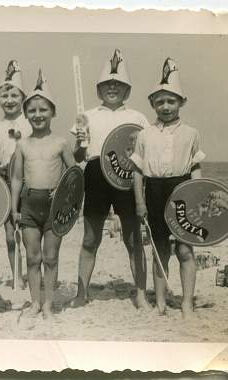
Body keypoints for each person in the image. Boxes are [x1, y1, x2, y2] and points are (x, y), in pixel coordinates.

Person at [70, 49, 150, 309]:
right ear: (99, 89)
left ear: (126, 90)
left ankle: (140, 293)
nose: (112, 88)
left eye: (118, 85)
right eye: (107, 85)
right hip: (95, 174)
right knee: (91, 238)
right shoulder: (87, 116)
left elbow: (145, 155)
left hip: (127, 179)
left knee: (133, 239)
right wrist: (81, 141)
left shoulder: (137, 118)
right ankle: (82, 293)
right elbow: (78, 155)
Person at [131, 58, 205, 318]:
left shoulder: (191, 134)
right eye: (160, 101)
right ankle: (161, 302)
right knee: (160, 249)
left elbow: (195, 168)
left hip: (181, 190)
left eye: (171, 101)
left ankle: (186, 303)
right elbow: (138, 172)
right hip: (154, 191)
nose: (165, 107)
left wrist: (195, 195)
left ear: (181, 102)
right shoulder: (144, 135)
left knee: (185, 249)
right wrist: (140, 202)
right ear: (152, 103)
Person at [11, 70, 76, 320]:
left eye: (43, 110)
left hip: (54, 207)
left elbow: (73, 176)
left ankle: (49, 303)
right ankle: (35, 302)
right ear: (26, 114)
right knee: (32, 257)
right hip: (29, 205)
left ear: (53, 112)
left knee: (50, 257)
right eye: (32, 111)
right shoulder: (22, 144)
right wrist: (14, 208)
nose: (37, 115)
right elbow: (17, 178)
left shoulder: (60, 143)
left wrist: (70, 202)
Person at [0, 60, 31, 288]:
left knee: (31, 234)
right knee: (10, 234)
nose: (10, 100)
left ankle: (34, 275)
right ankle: (17, 277)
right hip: (5, 182)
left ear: (23, 96)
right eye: (4, 96)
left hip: (30, 182)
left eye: (14, 95)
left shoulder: (30, 121)